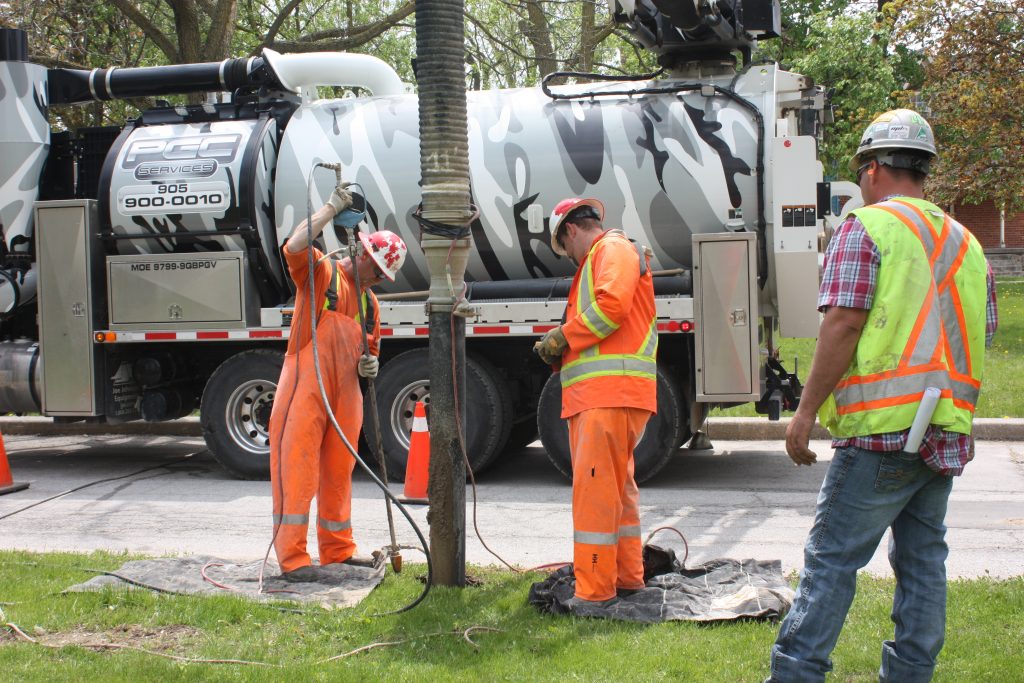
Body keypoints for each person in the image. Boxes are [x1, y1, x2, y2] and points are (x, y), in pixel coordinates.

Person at [767, 109, 998, 682]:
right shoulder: (968, 243)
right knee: (923, 563)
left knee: (830, 563)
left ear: (872, 170)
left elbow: (843, 324)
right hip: (945, 432)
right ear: (924, 170)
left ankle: (794, 674)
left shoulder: (866, 227)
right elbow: (980, 330)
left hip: (881, 432)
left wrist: (804, 412)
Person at [269, 180, 408, 582]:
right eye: (376, 269)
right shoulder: (323, 274)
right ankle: (293, 560)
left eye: (384, 276)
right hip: (305, 390)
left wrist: (371, 365)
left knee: (337, 475)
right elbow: (293, 247)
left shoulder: (370, 303)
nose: (378, 280)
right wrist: (329, 209)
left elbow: (371, 348)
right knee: (297, 470)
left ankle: (337, 550)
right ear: (361, 252)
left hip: (345, 394)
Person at [536, 197, 658, 608]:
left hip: (606, 398)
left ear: (570, 231)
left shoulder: (611, 249)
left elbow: (610, 308)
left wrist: (562, 337)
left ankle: (593, 592)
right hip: (613, 396)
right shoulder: (609, 256)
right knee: (618, 495)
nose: (568, 257)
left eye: (564, 247)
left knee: (595, 497)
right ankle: (626, 580)